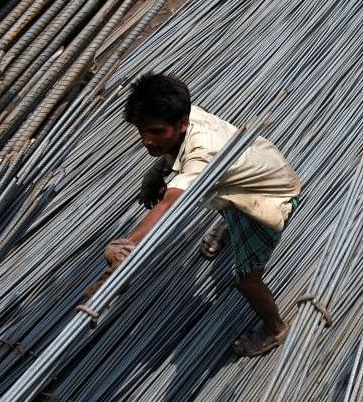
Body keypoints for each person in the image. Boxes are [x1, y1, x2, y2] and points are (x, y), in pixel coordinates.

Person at [101, 73, 303, 357]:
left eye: (156, 132)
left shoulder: (203, 152)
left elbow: (170, 203)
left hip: (270, 196)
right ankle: (229, 225)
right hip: (253, 167)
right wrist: (155, 175)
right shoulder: (182, 112)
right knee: (221, 196)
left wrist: (130, 244)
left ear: (181, 124)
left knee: (247, 281)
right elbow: (175, 155)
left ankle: (276, 328)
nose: (147, 141)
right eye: (142, 131)